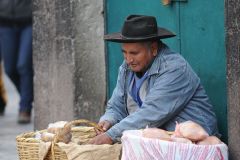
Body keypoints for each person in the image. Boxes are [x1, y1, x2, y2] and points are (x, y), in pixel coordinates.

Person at [89, 15, 219, 145]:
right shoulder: (126, 68)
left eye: (134, 53)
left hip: (197, 145)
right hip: (160, 145)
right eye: (125, 52)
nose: (128, 59)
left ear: (153, 49)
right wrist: (108, 120)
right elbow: (116, 106)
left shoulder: (174, 68)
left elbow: (150, 113)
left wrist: (111, 136)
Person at [0, 0, 33, 123]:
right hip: (5, 22)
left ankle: (25, 108)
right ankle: (29, 96)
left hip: (28, 21)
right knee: (10, 69)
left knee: (24, 65)